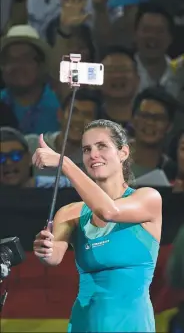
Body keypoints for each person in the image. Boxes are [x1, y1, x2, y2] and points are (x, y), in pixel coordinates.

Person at [33, 119, 162, 333]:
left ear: (123, 152)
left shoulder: (148, 199)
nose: (93, 154)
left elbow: (109, 212)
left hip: (132, 325)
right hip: (84, 325)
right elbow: (52, 258)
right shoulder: (70, 212)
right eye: (86, 149)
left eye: (102, 146)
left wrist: (65, 163)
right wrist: (43, 249)